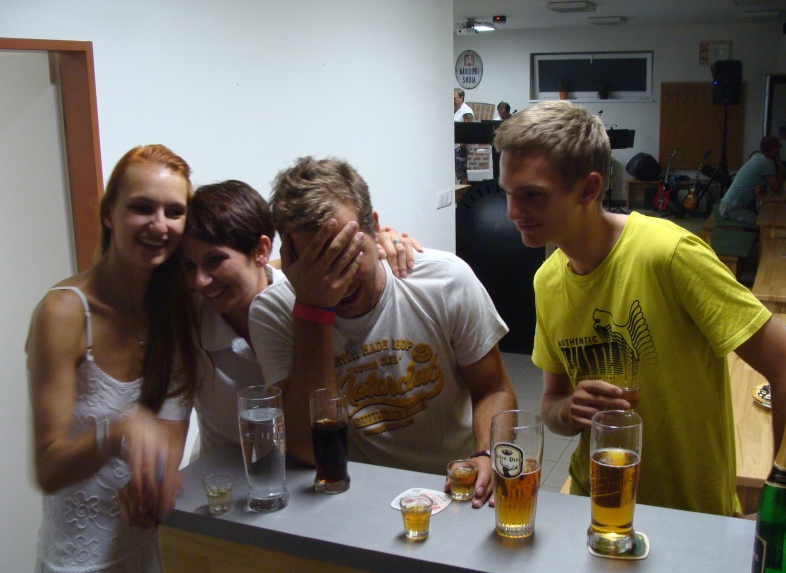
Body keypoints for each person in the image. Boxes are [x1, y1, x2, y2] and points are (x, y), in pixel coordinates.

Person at [493, 100, 786, 517]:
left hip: (691, 516)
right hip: (597, 509)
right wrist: (569, 409)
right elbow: (551, 406)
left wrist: (780, 496)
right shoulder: (548, 280)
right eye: (508, 193)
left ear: (588, 189)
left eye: (532, 195)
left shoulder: (669, 254)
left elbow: (782, 364)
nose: (512, 212)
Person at [249, 156, 516, 509]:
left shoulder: (446, 280)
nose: (337, 282)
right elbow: (307, 448)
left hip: (453, 486)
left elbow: (493, 389)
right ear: (290, 258)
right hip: (354, 494)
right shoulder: (274, 311)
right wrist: (314, 308)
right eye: (318, 262)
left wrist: (486, 454)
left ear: (374, 228)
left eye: (345, 254)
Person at [26, 144, 199, 573]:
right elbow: (47, 469)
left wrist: (152, 480)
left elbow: (168, 434)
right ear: (108, 214)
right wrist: (117, 430)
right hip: (80, 568)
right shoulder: (65, 313)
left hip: (152, 550)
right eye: (142, 207)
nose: (159, 225)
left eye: (174, 212)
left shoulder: (174, 306)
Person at [181, 180, 422, 458]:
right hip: (225, 474)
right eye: (189, 266)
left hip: (307, 470)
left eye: (215, 260)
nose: (199, 281)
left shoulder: (316, 296)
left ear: (261, 251)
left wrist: (377, 243)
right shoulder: (188, 321)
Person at [719, 135, 784, 225]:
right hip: (731, 209)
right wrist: (780, 165)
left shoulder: (757, 157)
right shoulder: (766, 162)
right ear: (774, 150)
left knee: (763, 215)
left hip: (729, 205)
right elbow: (776, 188)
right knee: (763, 222)